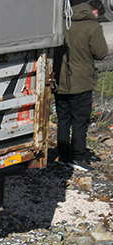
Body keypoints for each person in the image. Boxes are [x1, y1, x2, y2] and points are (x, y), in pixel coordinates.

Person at [54, 0, 109, 172]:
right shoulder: (92, 27)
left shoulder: (62, 22)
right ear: (95, 12)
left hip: (59, 82)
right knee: (80, 122)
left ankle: (63, 156)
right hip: (82, 83)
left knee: (63, 120)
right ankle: (78, 157)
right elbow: (101, 53)